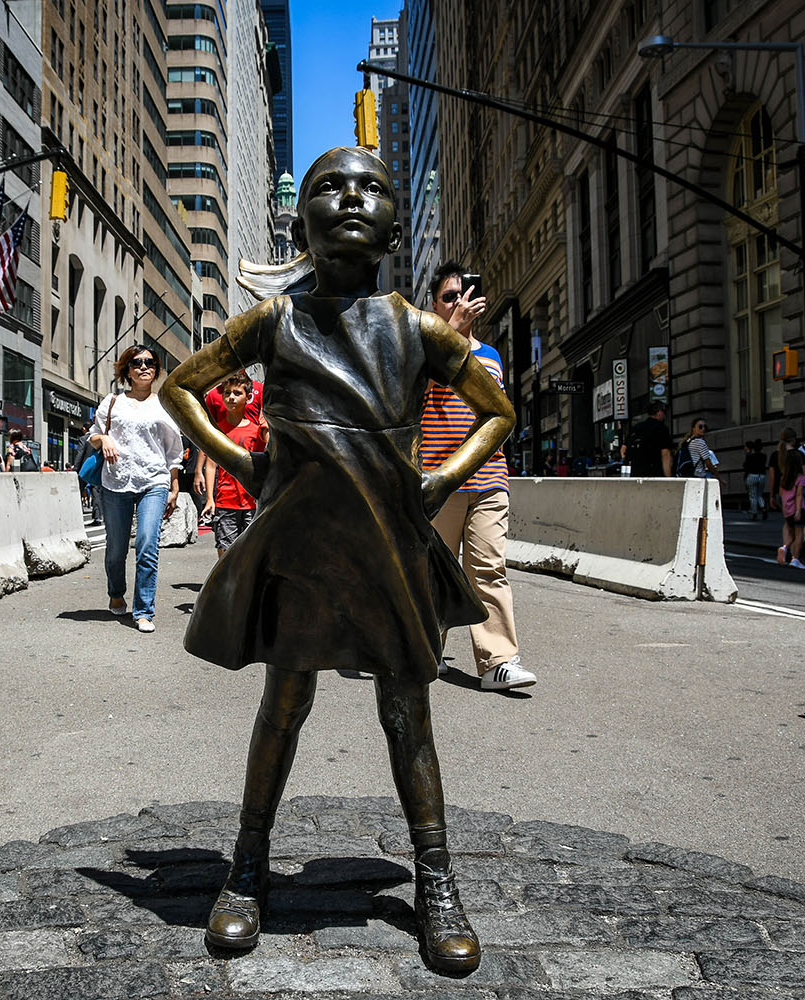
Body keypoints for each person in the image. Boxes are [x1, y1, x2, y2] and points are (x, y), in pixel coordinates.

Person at [160, 147, 514, 974]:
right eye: (329, 188)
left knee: (408, 712)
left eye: (371, 188)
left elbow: (497, 411)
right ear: (300, 221)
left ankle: (435, 879)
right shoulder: (274, 322)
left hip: (388, 542)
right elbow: (183, 385)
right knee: (283, 702)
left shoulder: (417, 328)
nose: (351, 200)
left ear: (395, 226)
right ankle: (246, 869)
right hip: (300, 546)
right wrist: (243, 463)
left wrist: (440, 481)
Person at [423, 259, 534, 691]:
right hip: (441, 480)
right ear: (434, 304)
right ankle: (429, 650)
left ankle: (498, 662)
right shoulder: (428, 347)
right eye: (449, 297)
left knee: (489, 567)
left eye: (464, 294)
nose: (459, 302)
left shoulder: (491, 357)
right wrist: (451, 335)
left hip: (490, 478)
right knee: (436, 574)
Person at [90, 345, 183, 633]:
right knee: (116, 549)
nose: (144, 367)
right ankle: (116, 593)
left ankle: (143, 610)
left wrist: (174, 484)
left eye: (150, 362)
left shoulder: (165, 404)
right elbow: (94, 435)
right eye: (137, 362)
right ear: (127, 370)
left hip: (154, 481)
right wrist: (103, 440)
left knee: (147, 544)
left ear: (156, 369)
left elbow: (173, 449)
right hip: (116, 481)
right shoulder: (112, 402)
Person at [201, 372, 267, 557]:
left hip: (251, 502)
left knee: (252, 550)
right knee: (224, 548)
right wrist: (210, 499)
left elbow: (264, 463)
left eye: (237, 393)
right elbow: (211, 464)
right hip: (225, 500)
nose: (231, 397)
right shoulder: (216, 430)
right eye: (227, 393)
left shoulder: (256, 431)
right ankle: (225, 586)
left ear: (248, 397)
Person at [775, 448, 805, 570]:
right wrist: (798, 510)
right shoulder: (800, 477)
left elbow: (781, 494)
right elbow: (799, 495)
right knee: (799, 534)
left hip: (787, 509)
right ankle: (795, 558)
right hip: (797, 509)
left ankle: (785, 547)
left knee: (792, 533)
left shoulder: (784, 478)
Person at [623, 400, 674, 476]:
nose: (664, 415)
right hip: (654, 473)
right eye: (664, 412)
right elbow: (665, 454)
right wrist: (669, 477)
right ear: (659, 412)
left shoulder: (636, 428)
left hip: (635, 474)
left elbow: (623, 450)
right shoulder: (661, 429)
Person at [72, 424, 103, 525]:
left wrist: (76, 468)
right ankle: (97, 517)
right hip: (96, 468)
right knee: (96, 493)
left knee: (78, 492)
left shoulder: (83, 439)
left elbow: (80, 453)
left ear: (85, 429)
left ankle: (77, 515)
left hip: (84, 470)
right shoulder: (101, 437)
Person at [742, 440, 767, 519]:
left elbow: (746, 466)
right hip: (762, 475)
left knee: (753, 495)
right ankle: (763, 507)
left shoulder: (750, 456)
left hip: (752, 475)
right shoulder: (764, 456)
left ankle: (754, 512)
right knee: (759, 494)